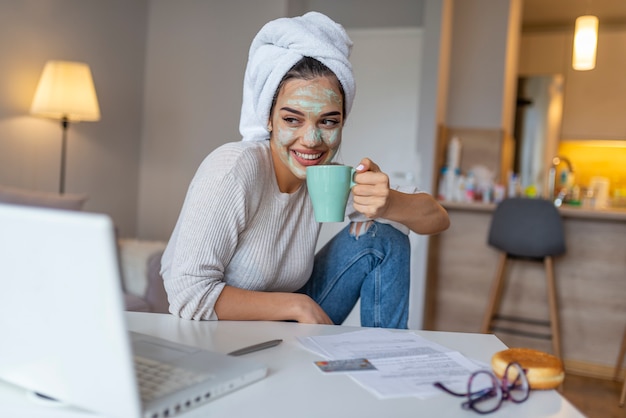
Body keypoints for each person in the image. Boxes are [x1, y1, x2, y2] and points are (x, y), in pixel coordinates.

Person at [161, 11, 449, 329]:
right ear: (268, 119)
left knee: (385, 238)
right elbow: (188, 294)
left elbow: (437, 218)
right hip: (217, 333)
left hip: (287, 324)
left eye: (328, 121)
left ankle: (388, 362)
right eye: (292, 119)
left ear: (342, 123)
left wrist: (389, 202)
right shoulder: (233, 169)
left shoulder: (327, 177)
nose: (311, 141)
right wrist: (297, 304)